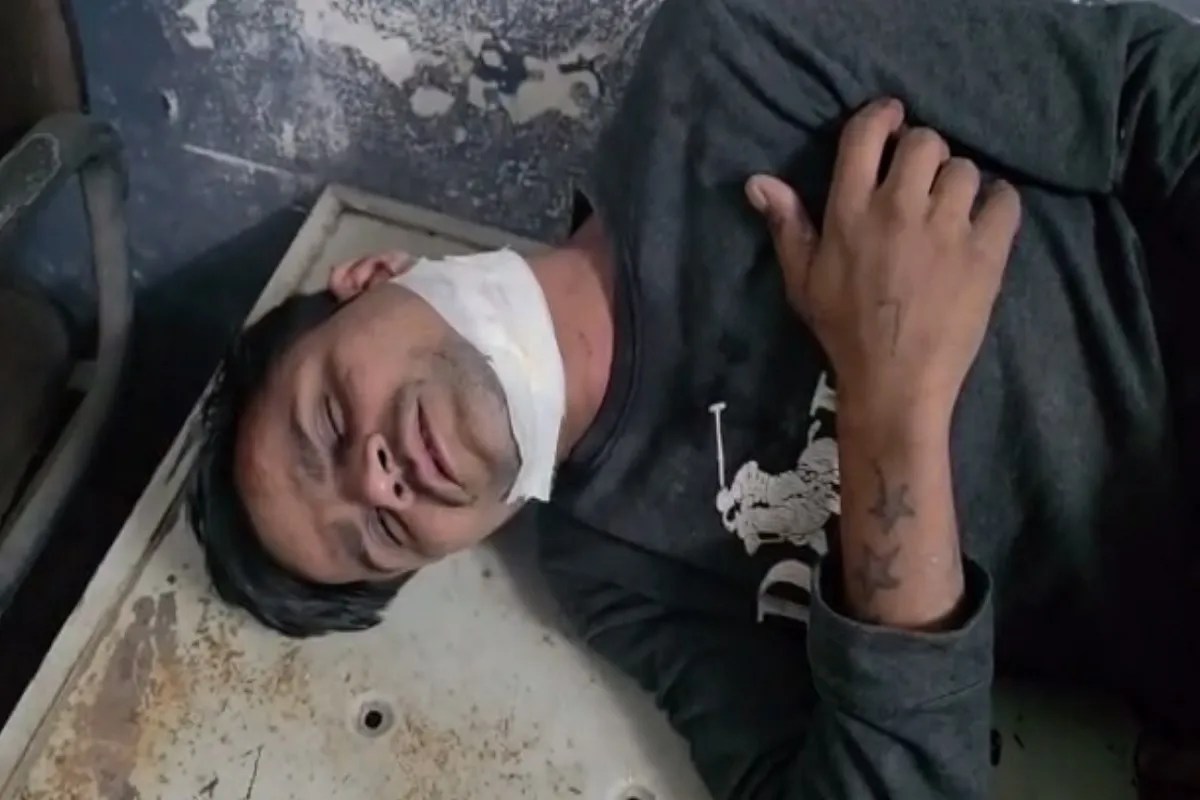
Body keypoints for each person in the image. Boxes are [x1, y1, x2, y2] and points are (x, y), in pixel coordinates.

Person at [188, 0, 1200, 796]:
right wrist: (893, 407)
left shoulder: (730, 56)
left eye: (328, 422)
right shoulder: (610, 568)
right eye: (377, 535)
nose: (378, 481)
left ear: (371, 276)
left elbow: (1151, 91)